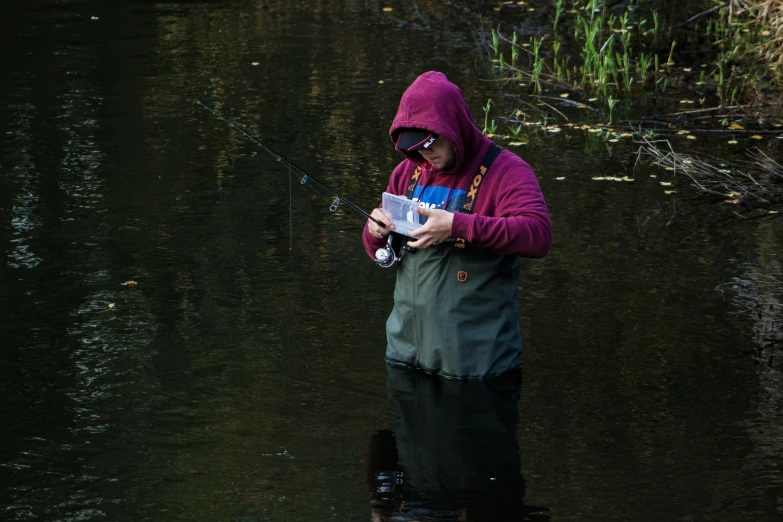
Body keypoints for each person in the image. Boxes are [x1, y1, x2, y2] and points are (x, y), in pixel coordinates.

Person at [362, 71, 552, 379]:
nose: (425, 154)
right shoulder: (405, 173)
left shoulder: (508, 172)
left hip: (477, 371)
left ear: (455, 127)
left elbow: (538, 235)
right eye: (415, 146)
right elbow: (377, 250)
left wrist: (457, 226)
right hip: (405, 359)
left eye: (431, 143)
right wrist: (375, 233)